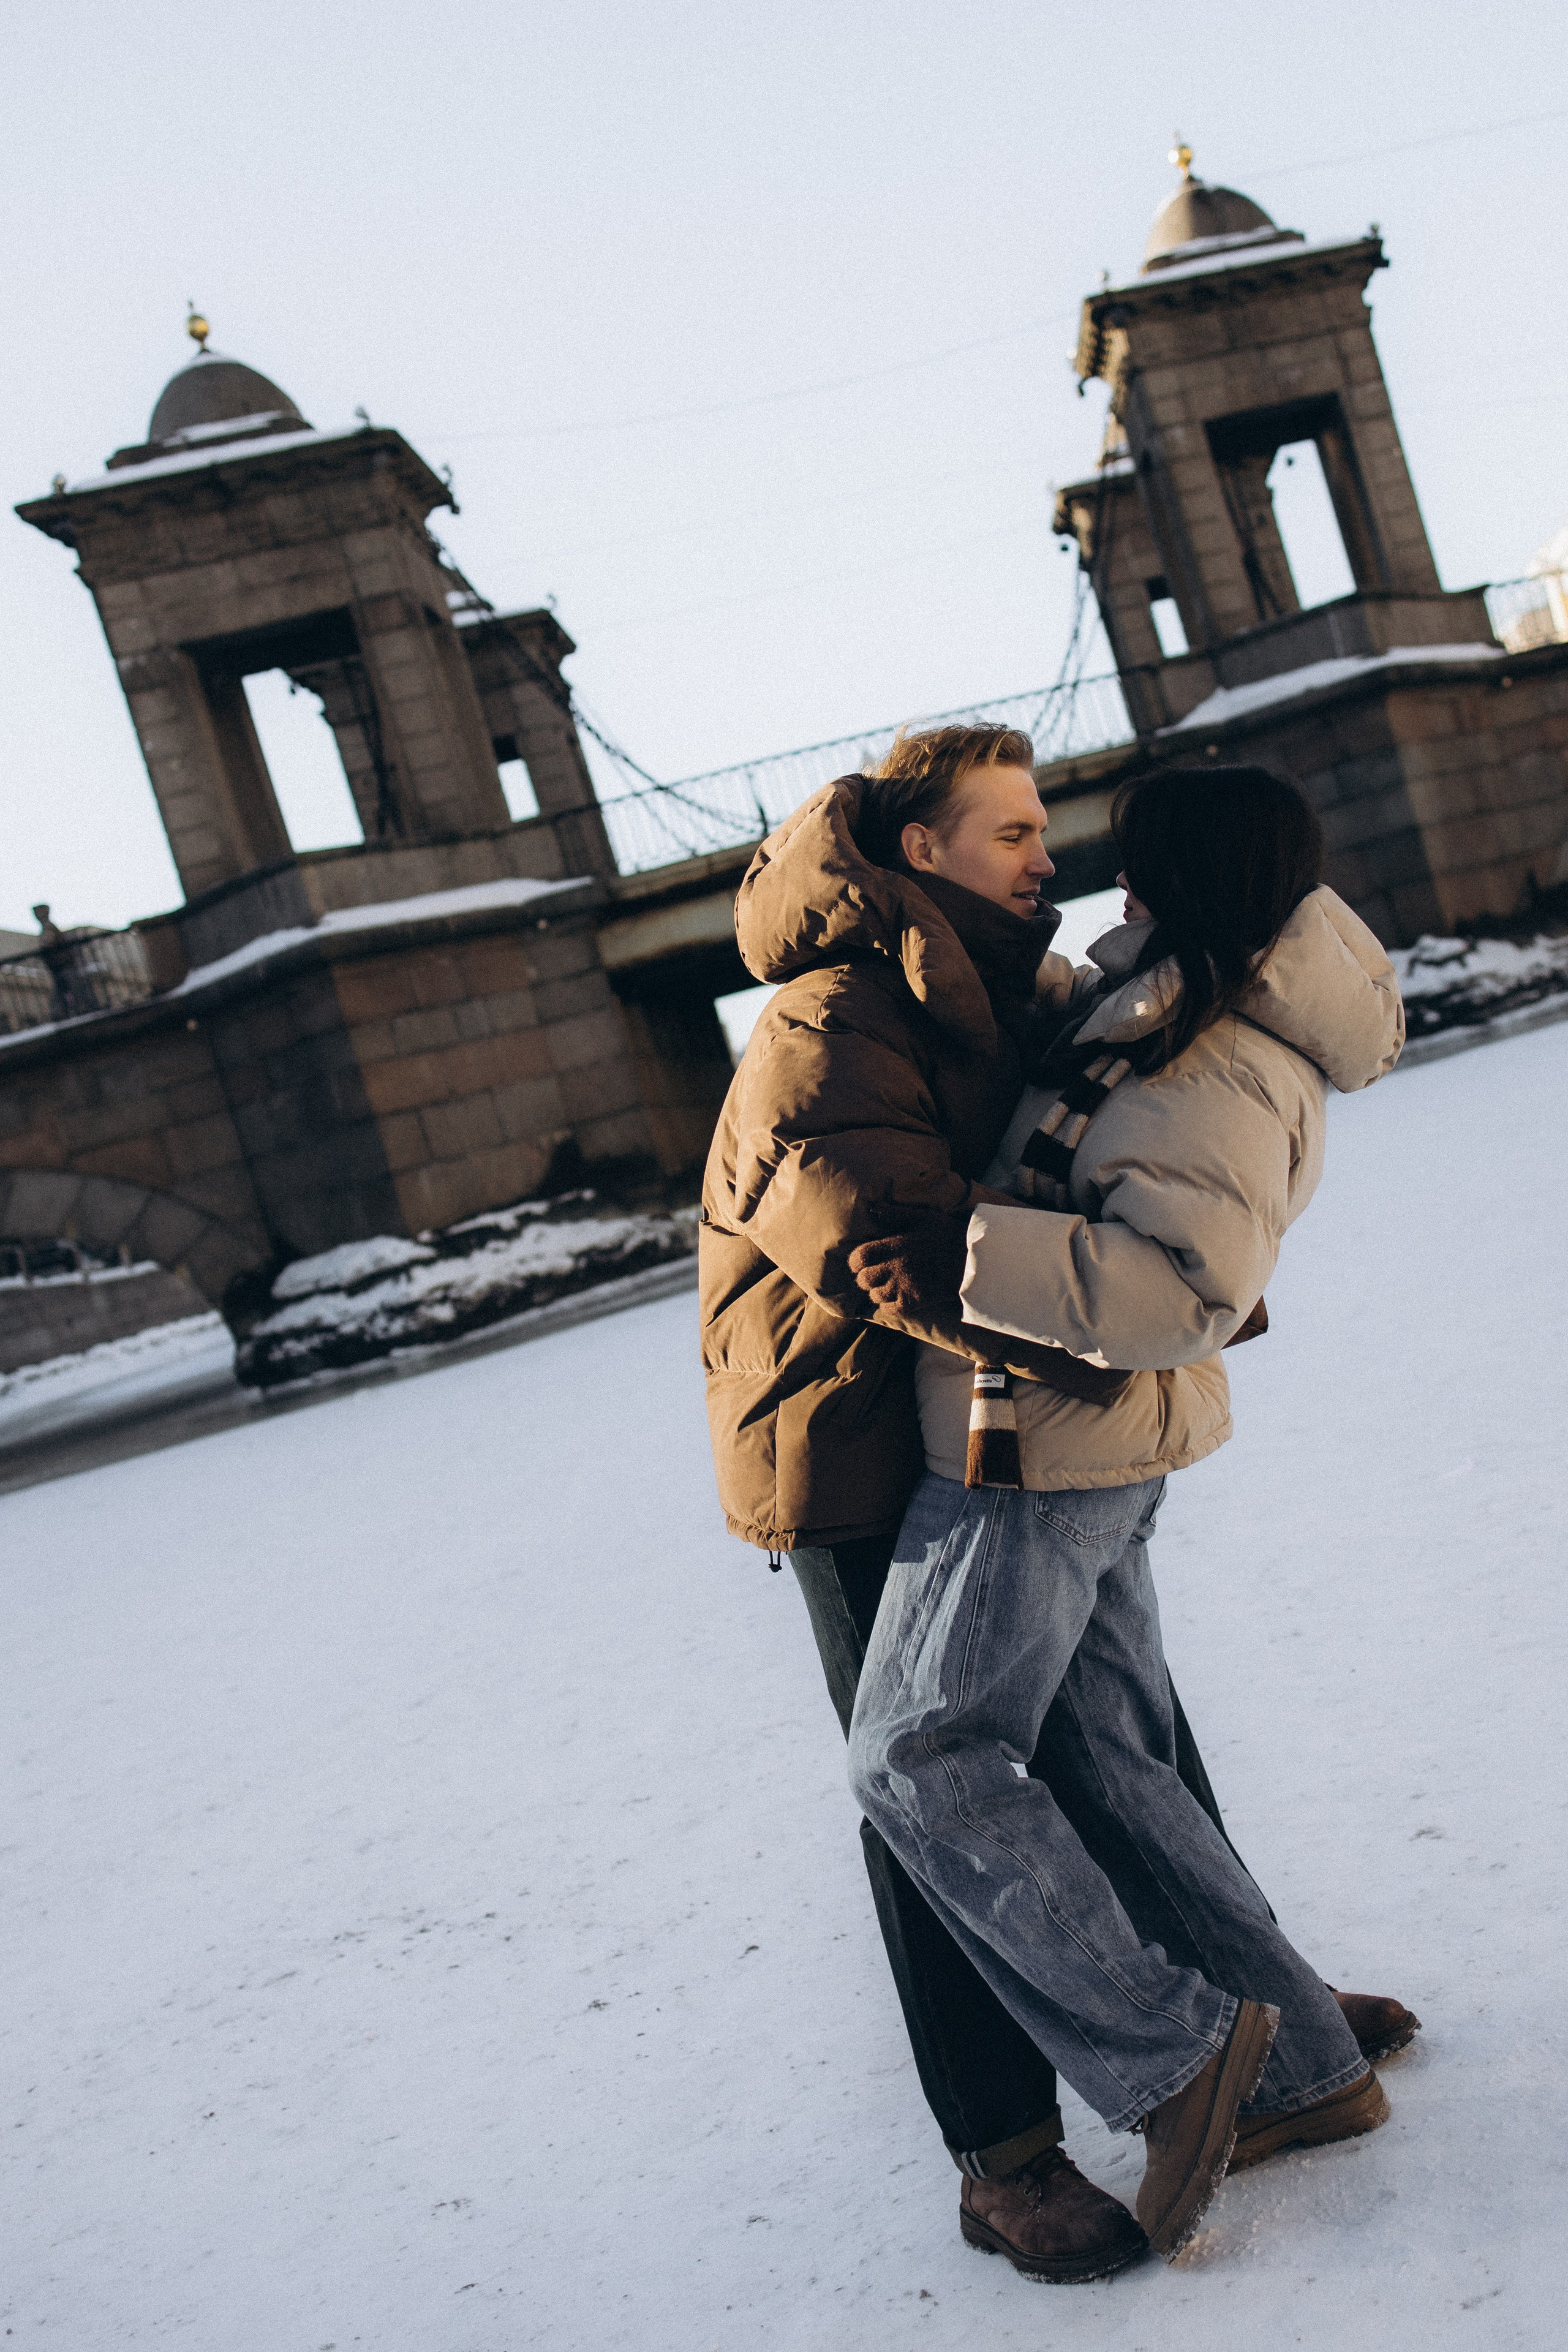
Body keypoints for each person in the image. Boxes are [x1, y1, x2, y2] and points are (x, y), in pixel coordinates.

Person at [699, 733, 1414, 2283]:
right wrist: (1156, 1316)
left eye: (1051, 829)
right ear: (916, 854)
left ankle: (1257, 2039)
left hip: (1020, 1410)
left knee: (1106, 1742)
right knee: (923, 1787)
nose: (1051, 858)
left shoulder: (1032, 982)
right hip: (858, 1442)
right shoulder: (833, 1023)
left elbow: (1135, 1201)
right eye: (1013, 830)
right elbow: (886, 1237)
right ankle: (1006, 2150)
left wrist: (1169, 1309)